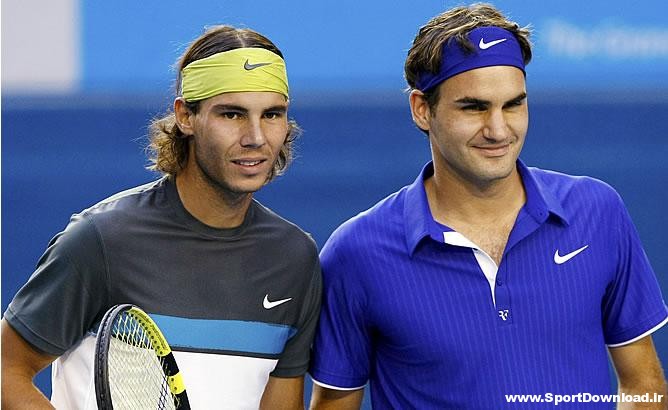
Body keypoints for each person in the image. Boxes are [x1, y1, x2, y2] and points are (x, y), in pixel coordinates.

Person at [308, 3, 667, 409]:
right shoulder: (356, 253)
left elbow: (644, 385)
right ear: (422, 109)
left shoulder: (598, 211)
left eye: (513, 104)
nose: (498, 130)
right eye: (474, 107)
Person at [2, 25, 321, 409]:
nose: (255, 136)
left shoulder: (294, 259)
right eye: (232, 114)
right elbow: (7, 369)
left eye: (272, 114)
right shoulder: (100, 240)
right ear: (186, 116)